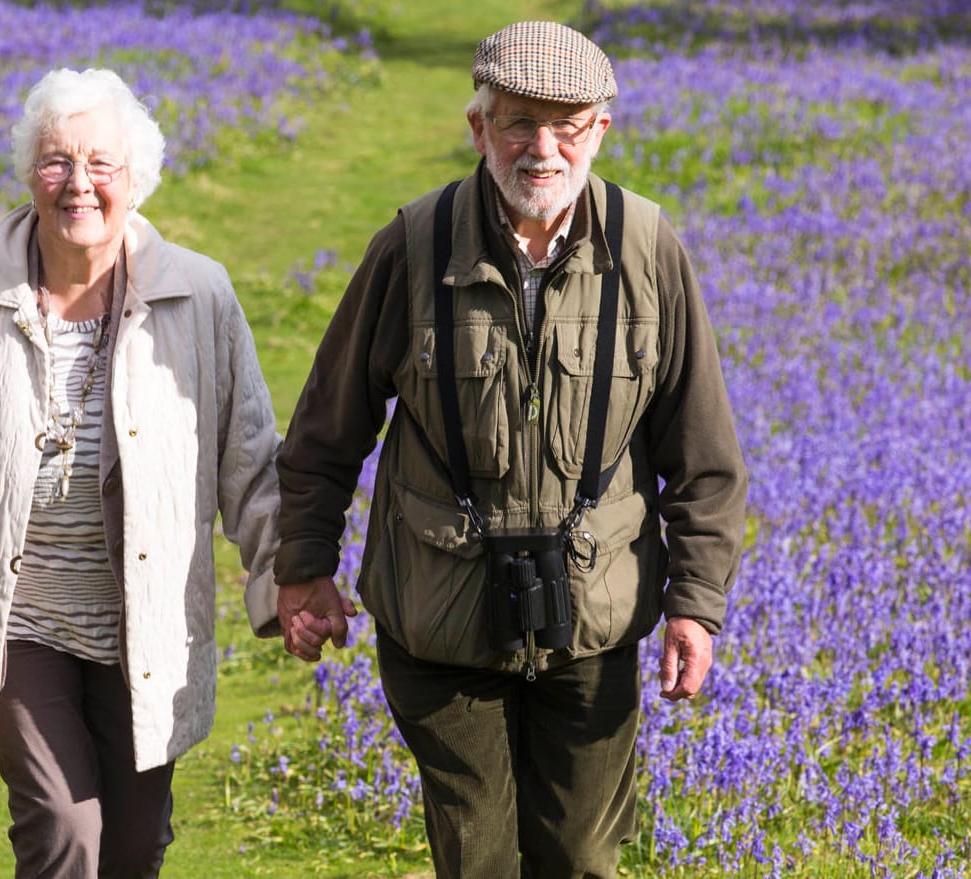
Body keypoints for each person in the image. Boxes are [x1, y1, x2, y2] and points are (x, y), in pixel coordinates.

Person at [274, 21, 748, 879]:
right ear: (478, 126)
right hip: (441, 617)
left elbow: (705, 455)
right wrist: (305, 563)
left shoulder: (646, 251)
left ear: (601, 130)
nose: (543, 148)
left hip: (593, 618)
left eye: (567, 125)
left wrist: (695, 603)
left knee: (580, 860)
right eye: (519, 122)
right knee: (478, 861)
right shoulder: (412, 248)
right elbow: (325, 429)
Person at [0, 67, 283, 878]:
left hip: (143, 623)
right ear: (28, 173)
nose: (78, 184)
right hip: (14, 619)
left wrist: (288, 578)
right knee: (65, 833)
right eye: (55, 161)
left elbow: (250, 459)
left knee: (137, 844)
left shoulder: (201, 296)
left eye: (101, 165)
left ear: (137, 181)